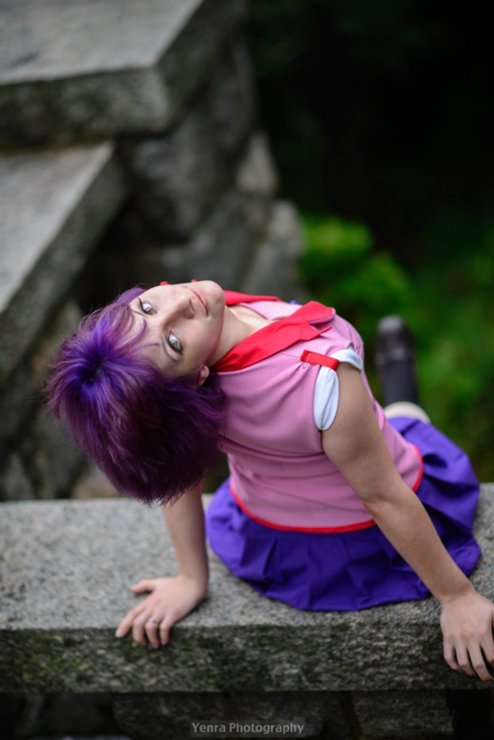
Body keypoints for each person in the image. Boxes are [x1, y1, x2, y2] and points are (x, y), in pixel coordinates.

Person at [46, 280, 494, 684]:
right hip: (360, 537)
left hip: (264, 524)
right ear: (197, 378)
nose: (179, 301)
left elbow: (176, 468)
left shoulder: (187, 377)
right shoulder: (321, 379)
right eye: (174, 342)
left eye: (145, 308)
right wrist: (456, 597)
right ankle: (402, 388)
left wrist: (191, 576)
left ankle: (396, 386)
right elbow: (383, 498)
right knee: (404, 422)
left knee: (360, 429)